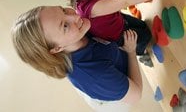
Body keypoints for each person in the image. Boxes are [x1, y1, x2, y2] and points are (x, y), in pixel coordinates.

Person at [11, 6, 142, 110]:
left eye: (62, 10)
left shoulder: (77, 34)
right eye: (65, 26)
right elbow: (136, 95)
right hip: (113, 100)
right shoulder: (96, 76)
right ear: (57, 48)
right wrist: (131, 52)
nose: (74, 16)